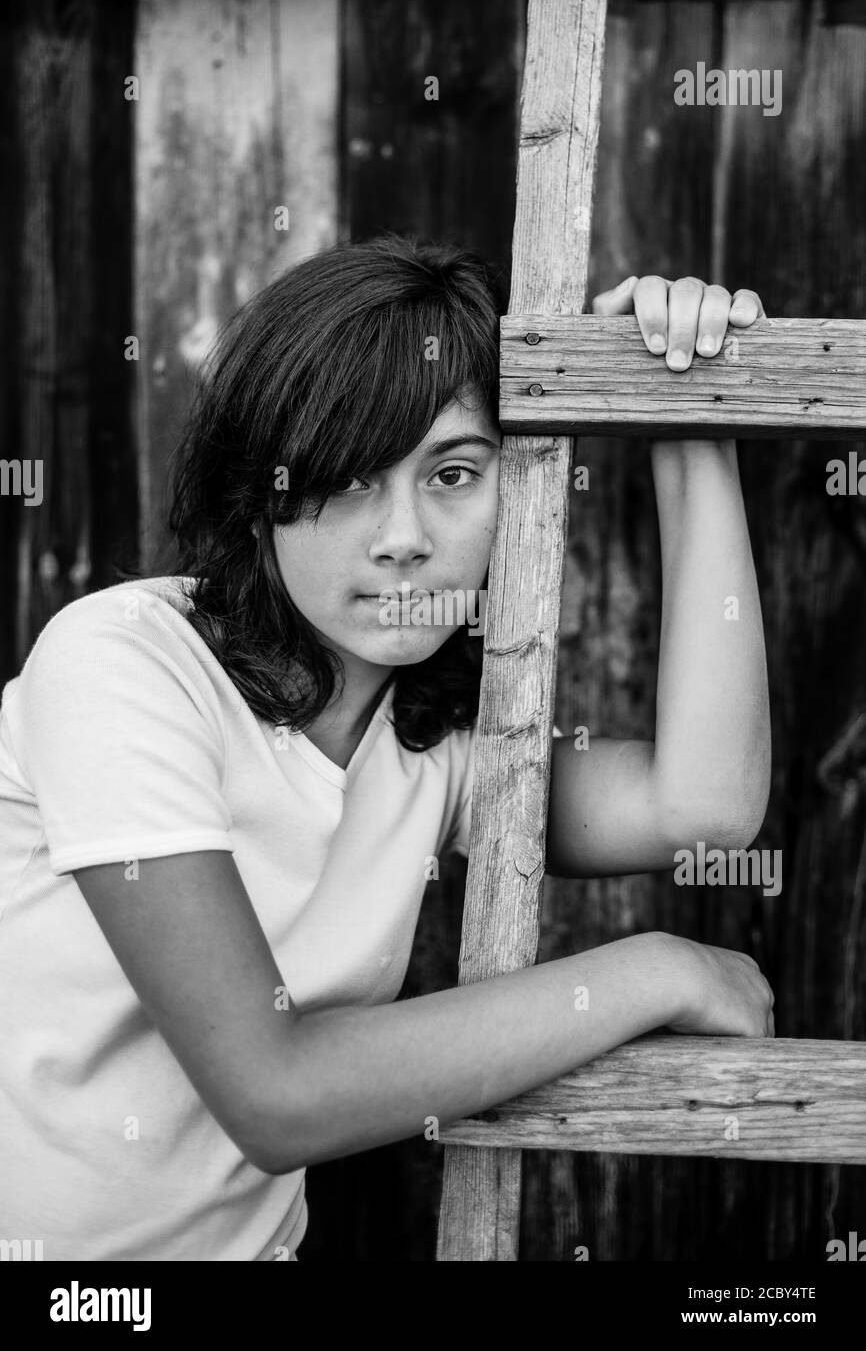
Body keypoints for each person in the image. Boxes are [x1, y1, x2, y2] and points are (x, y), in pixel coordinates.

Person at [0, 234, 773, 1262]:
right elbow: (273, 1094)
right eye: (350, 479)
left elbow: (703, 804)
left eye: (453, 472)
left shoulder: (438, 737)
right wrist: (655, 969)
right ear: (261, 489)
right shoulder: (122, 664)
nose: (402, 534)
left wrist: (683, 412)